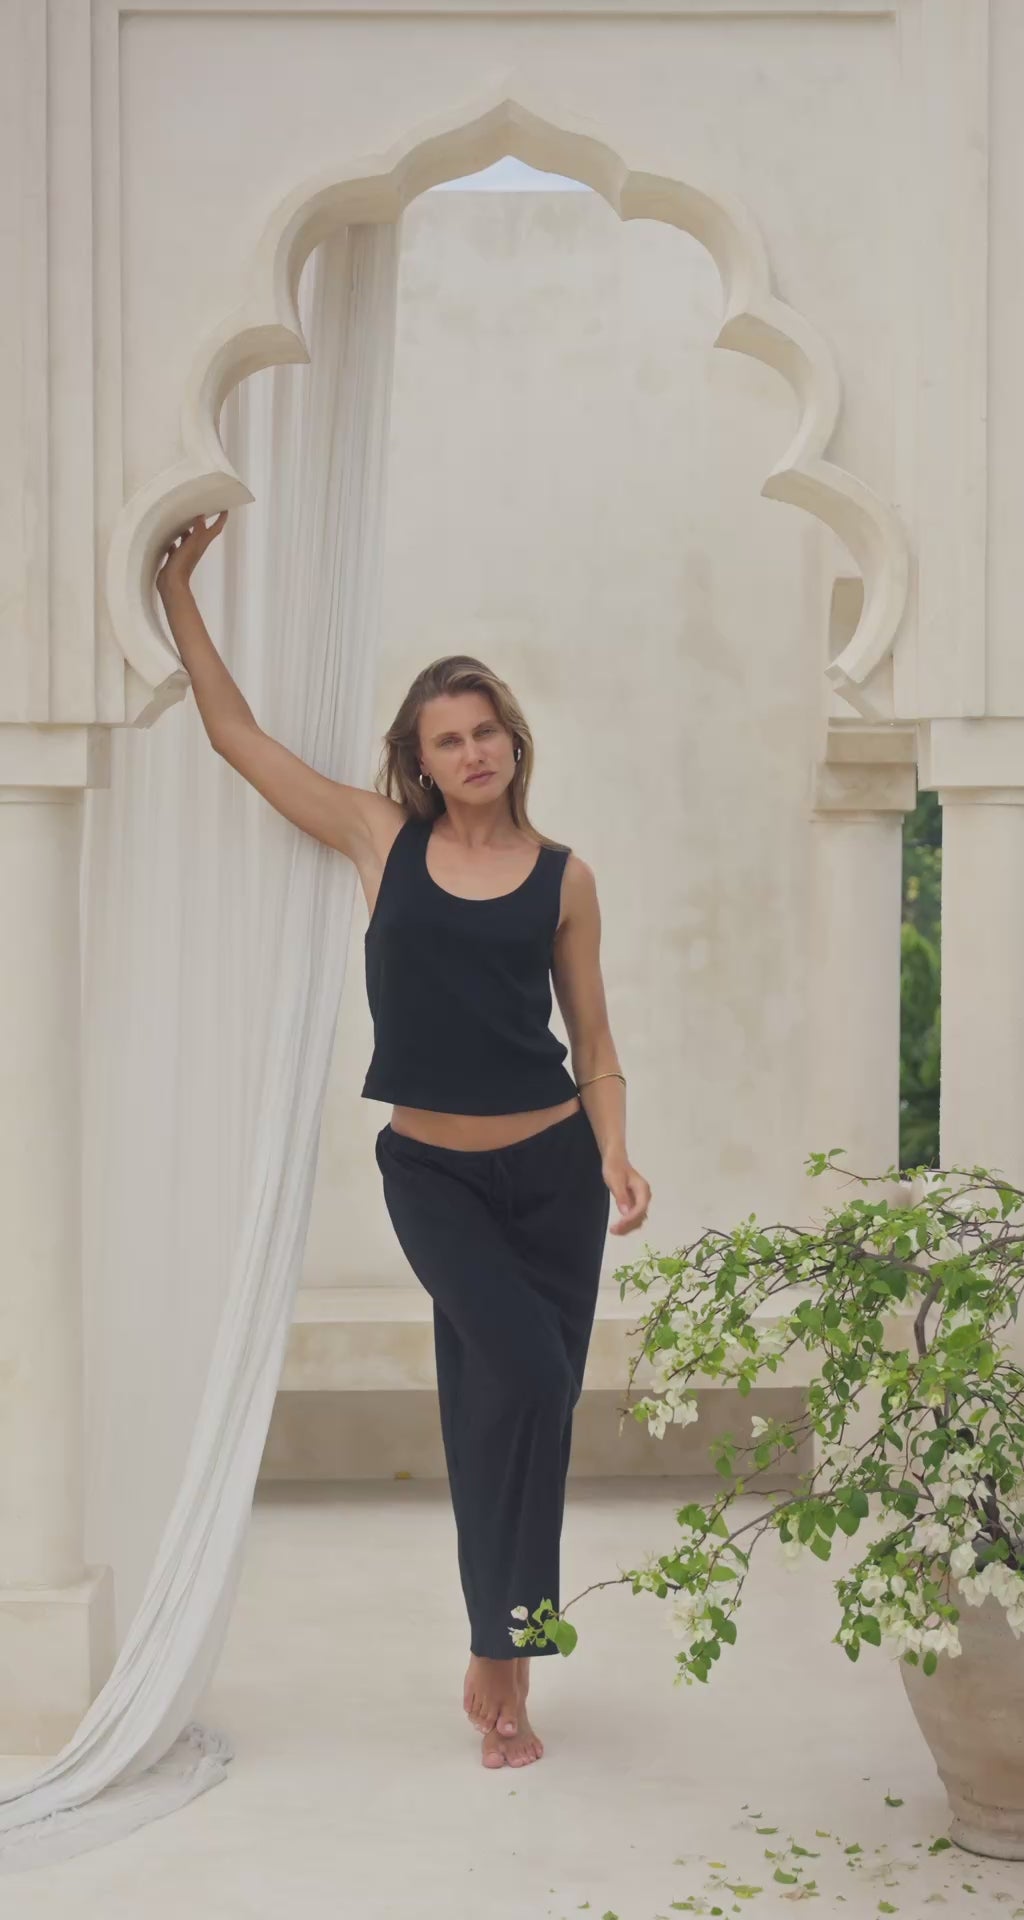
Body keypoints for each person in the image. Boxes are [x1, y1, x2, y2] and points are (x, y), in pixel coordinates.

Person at [155, 511, 652, 1771]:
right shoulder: (385, 842)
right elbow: (236, 738)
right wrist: (176, 592)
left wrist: (615, 1151)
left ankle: (507, 1661)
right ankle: (503, 1640)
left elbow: (592, 1036)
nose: (473, 750)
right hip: (430, 1172)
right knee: (529, 1383)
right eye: (448, 737)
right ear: (419, 762)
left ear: (510, 742)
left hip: (554, 1177)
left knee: (512, 1410)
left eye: (487, 729)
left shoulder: (565, 877)